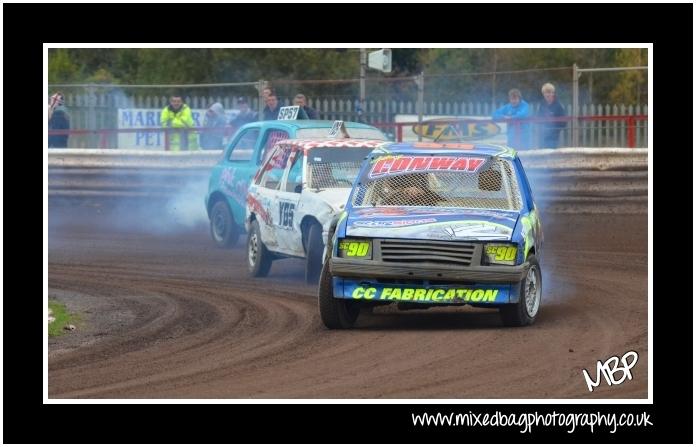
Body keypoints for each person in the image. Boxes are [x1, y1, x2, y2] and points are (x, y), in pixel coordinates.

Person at [537, 82, 567, 148]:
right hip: (543, 135)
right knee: (542, 154)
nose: (548, 94)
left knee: (551, 154)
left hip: (554, 137)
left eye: (550, 92)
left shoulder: (558, 105)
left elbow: (564, 122)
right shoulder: (541, 105)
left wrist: (555, 128)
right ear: (543, 94)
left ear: (553, 93)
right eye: (546, 93)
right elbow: (538, 119)